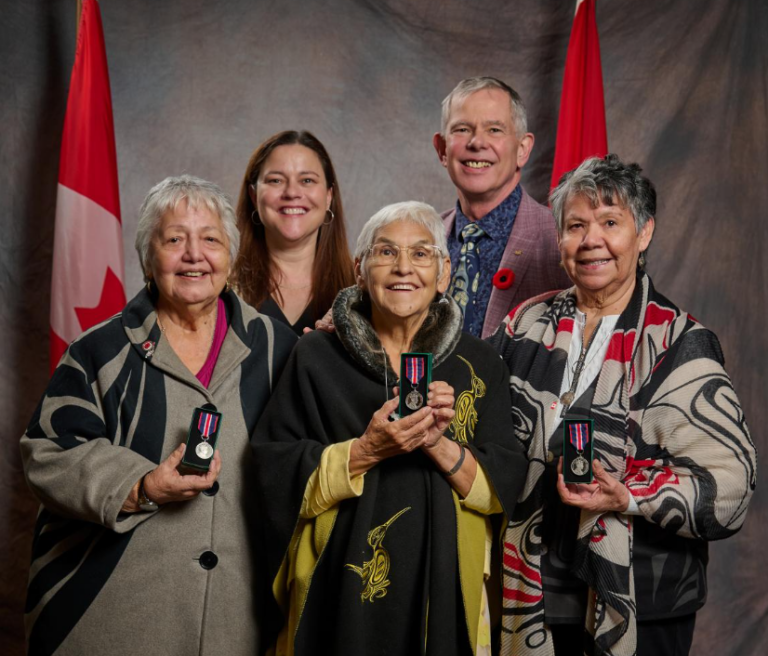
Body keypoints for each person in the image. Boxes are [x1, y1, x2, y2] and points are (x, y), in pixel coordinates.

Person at [489, 155, 757, 656]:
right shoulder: (525, 323)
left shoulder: (681, 343)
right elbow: (470, 403)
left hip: (645, 598)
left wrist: (628, 496)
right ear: (560, 240)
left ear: (645, 233)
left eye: (610, 222)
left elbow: (731, 485)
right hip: (531, 591)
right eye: (575, 225)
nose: (592, 240)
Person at [20, 176, 296, 656]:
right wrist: (141, 487)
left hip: (239, 623)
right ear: (150, 259)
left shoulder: (278, 348)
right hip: (110, 618)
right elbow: (47, 453)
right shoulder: (98, 350)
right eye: (174, 239)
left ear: (229, 256)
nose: (194, 254)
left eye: (210, 238)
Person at [252, 201, 528, 655]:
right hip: (339, 580)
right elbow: (272, 466)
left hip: (444, 578)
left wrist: (437, 442)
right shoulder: (315, 356)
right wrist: (366, 450)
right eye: (385, 253)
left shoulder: (479, 363)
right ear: (360, 271)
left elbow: (502, 485)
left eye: (421, 254)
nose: (404, 268)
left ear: (443, 274)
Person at [433, 77, 571, 338]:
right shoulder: (421, 239)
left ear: (522, 149)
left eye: (494, 130)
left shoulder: (562, 239)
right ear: (442, 149)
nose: (477, 142)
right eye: (462, 129)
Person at [233, 130, 354, 335]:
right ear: (254, 196)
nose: (291, 193)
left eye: (307, 180)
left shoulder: (362, 289)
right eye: (275, 180)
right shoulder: (220, 286)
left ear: (328, 196)